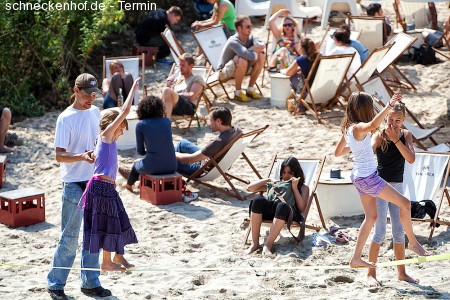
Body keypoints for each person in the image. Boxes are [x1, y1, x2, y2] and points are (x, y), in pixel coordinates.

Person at [334, 91, 429, 268]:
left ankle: (356, 258)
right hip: (369, 177)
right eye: (370, 107)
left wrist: (356, 147)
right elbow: (372, 124)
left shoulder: (349, 128)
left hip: (358, 176)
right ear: (363, 109)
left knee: (371, 217)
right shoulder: (360, 127)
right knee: (406, 204)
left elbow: (338, 152)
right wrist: (388, 105)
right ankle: (414, 243)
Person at [48, 73, 111, 300]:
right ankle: (56, 285)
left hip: (94, 181)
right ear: (76, 91)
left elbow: (101, 141)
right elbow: (59, 156)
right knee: (70, 237)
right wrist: (82, 157)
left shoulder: (95, 112)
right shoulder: (65, 118)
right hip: (73, 183)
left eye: (94, 94)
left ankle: (90, 284)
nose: (91, 98)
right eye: (86, 94)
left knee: (93, 236)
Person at [80, 78, 140, 272]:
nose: (122, 132)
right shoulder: (106, 135)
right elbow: (124, 111)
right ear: (114, 125)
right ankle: (106, 263)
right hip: (100, 186)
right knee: (108, 224)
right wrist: (133, 89)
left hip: (107, 187)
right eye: (122, 127)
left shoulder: (105, 141)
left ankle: (119, 256)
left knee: (121, 220)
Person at [367, 102, 418, 287]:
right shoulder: (379, 135)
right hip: (380, 187)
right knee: (379, 231)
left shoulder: (406, 135)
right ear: (385, 118)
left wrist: (396, 140)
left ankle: (402, 273)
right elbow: (368, 151)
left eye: (398, 120)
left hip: (398, 186)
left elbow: (411, 159)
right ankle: (371, 274)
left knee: (398, 231)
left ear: (403, 120)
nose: (393, 123)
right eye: (390, 119)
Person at [246, 157, 309, 256]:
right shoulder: (276, 184)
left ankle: (268, 245)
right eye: (284, 172)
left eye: (290, 173)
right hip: (274, 213)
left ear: (296, 173)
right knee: (257, 200)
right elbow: (249, 188)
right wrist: (268, 180)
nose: (286, 176)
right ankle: (255, 244)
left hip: (290, 214)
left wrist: (295, 188)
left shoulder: (304, 188)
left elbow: (302, 209)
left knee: (282, 206)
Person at [118, 96, 177, 192]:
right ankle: (138, 181)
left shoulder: (141, 125)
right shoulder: (167, 121)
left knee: (136, 166)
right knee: (148, 163)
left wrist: (148, 152)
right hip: (172, 165)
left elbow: (140, 151)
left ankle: (128, 185)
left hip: (153, 166)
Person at [175, 106, 241, 176]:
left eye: (210, 120)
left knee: (167, 159)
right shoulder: (237, 130)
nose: (208, 123)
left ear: (218, 121)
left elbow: (190, 160)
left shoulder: (218, 142)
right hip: (214, 161)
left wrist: (171, 154)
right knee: (182, 143)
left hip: (201, 169)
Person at [217, 16, 265, 102]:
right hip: (224, 73)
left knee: (261, 55)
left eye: (251, 26)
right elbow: (250, 56)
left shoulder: (250, 37)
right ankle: (238, 92)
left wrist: (256, 47)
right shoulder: (233, 41)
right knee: (242, 59)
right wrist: (254, 48)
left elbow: (262, 45)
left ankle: (250, 89)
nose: (250, 28)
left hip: (240, 69)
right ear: (239, 28)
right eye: (248, 26)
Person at [161, 53, 206, 117]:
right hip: (174, 104)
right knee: (152, 102)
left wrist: (173, 93)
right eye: (180, 65)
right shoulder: (178, 78)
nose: (180, 68)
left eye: (183, 65)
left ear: (191, 66)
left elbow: (191, 95)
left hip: (188, 106)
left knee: (166, 91)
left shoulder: (197, 78)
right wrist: (168, 85)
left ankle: (165, 123)